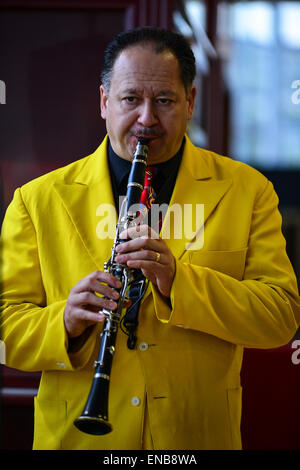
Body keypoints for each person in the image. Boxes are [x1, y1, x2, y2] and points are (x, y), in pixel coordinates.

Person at [1, 27, 300, 451]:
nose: (147, 119)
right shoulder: (35, 201)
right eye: (130, 100)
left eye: (164, 101)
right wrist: (64, 322)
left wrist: (179, 280)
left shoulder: (248, 191)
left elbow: (280, 318)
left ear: (190, 102)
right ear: (105, 101)